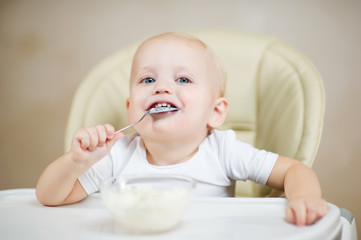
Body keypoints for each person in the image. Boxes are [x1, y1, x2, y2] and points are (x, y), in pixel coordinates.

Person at [36, 32, 328, 226]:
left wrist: (304, 197)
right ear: (130, 107)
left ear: (215, 112)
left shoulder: (223, 151)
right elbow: (50, 197)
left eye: (184, 80)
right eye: (148, 80)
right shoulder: (117, 154)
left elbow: (294, 171)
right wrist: (76, 163)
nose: (162, 86)